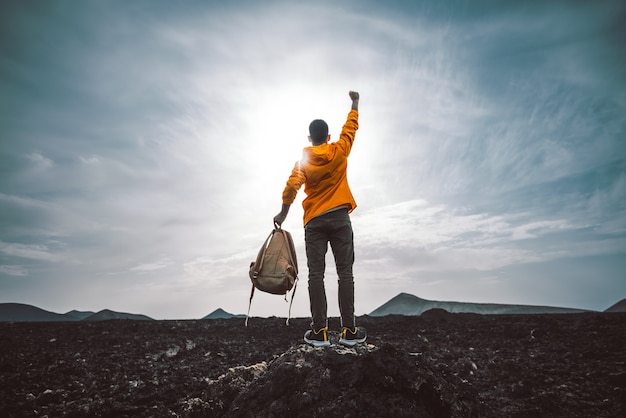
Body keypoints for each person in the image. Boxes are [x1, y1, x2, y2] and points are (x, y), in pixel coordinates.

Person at [273, 91, 367, 348]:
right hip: (339, 218)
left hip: (314, 221)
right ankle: (349, 331)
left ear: (309, 139)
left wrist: (283, 213)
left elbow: (292, 186)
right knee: (345, 274)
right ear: (327, 137)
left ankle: (320, 333)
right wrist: (355, 103)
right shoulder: (339, 150)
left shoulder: (303, 161)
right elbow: (350, 128)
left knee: (316, 275)